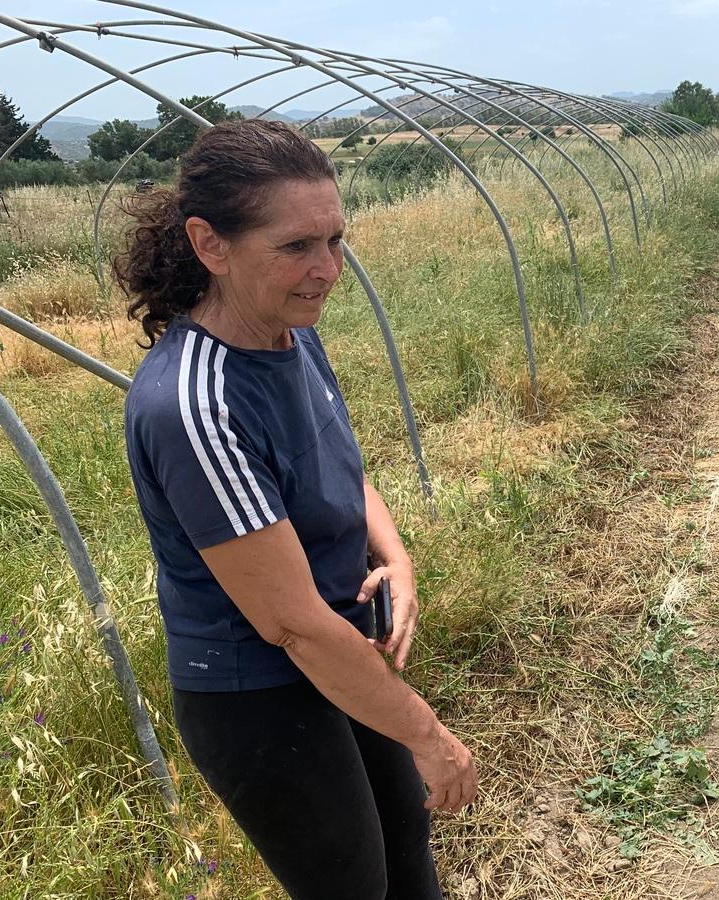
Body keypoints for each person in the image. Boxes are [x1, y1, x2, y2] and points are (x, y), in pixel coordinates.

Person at [115, 118, 475, 899]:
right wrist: (430, 735)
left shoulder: (290, 332)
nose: (327, 269)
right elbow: (291, 625)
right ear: (210, 244)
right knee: (349, 882)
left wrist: (397, 557)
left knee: (406, 849)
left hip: (337, 646)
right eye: (296, 246)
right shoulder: (194, 405)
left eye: (336, 240)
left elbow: (338, 461)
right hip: (257, 691)